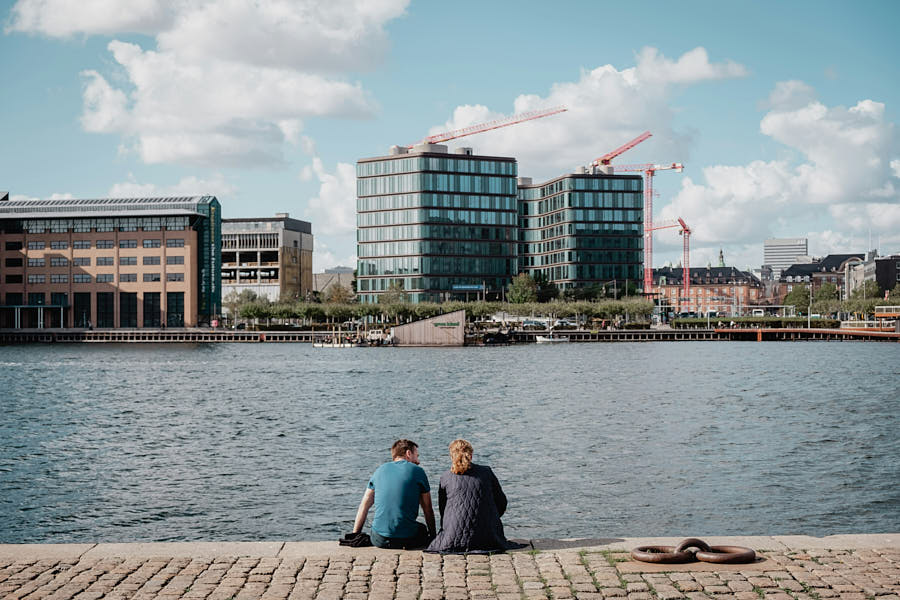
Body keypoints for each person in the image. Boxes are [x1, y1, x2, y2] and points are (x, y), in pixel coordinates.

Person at [426, 439, 520, 554]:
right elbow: (501, 502)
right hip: (488, 535)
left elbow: (443, 509)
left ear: (451, 456)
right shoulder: (486, 472)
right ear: (471, 455)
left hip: (452, 536)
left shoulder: (445, 477)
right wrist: (490, 517)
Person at [352, 439, 436, 549]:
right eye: (417, 455)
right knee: (422, 529)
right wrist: (434, 537)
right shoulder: (418, 471)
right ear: (408, 454)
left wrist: (355, 535)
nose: (418, 461)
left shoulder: (379, 470)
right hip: (407, 539)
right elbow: (427, 509)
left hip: (379, 539)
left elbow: (364, 506)